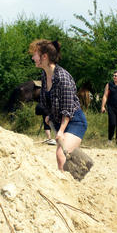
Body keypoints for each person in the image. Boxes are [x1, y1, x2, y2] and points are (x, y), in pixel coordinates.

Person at [29, 39, 87, 171]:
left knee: (61, 155)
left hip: (74, 121)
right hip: (59, 120)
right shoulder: (45, 75)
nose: (33, 57)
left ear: (44, 56)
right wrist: (49, 115)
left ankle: (67, 185)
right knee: (65, 157)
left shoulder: (63, 77)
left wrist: (61, 130)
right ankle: (73, 180)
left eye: (35, 55)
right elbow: (47, 101)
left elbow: (67, 108)